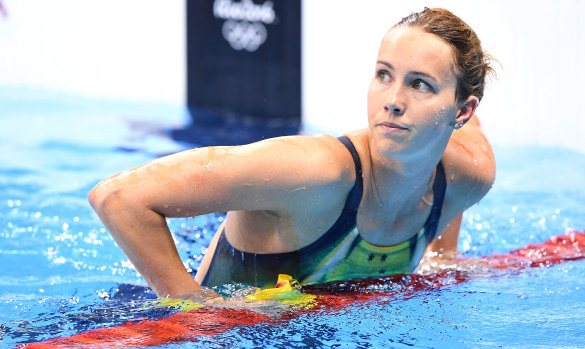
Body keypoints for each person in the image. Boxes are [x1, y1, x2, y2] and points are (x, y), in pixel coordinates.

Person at [89, 7, 496, 299]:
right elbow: (119, 197)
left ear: (462, 110)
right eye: (384, 75)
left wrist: (444, 258)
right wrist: (196, 308)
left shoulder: (470, 176)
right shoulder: (314, 173)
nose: (392, 100)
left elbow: (451, 162)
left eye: (420, 84)